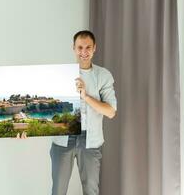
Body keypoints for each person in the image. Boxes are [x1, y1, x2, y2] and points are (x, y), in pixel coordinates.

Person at [18, 30, 117, 195]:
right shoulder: (60, 75)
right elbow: (45, 103)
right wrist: (25, 128)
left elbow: (111, 112)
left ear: (94, 49)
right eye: (80, 47)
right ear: (73, 48)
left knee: (91, 191)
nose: (84, 52)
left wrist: (85, 96)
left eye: (88, 47)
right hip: (62, 139)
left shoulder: (103, 75)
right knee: (58, 190)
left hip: (91, 141)